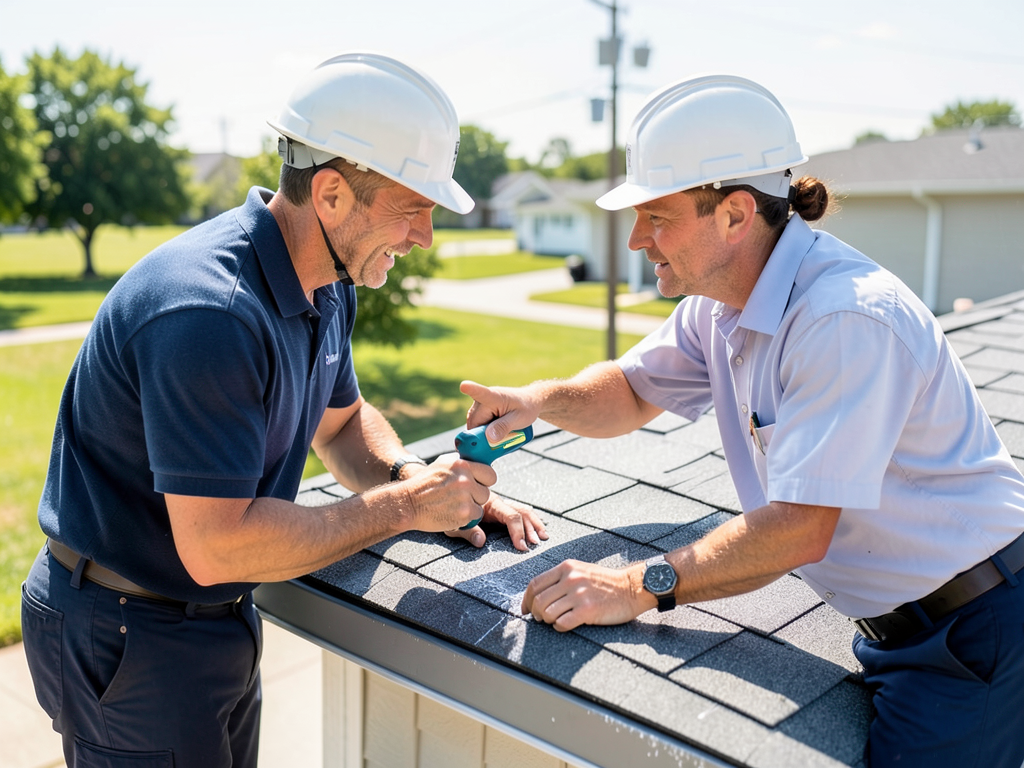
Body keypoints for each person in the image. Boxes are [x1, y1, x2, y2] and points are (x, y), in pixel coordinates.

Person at [461, 74, 1024, 767]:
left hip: (976, 628)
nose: (637, 238)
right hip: (907, 621)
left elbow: (797, 529)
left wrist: (633, 588)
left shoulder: (841, 318)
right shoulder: (720, 303)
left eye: (657, 216)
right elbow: (632, 392)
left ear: (733, 215)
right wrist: (540, 398)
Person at [21, 52, 545, 768]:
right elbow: (219, 546)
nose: (425, 235)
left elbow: (342, 424)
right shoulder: (210, 313)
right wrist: (402, 507)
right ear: (331, 194)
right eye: (412, 208)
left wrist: (424, 484)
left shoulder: (329, 280)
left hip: (212, 617)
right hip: (127, 632)